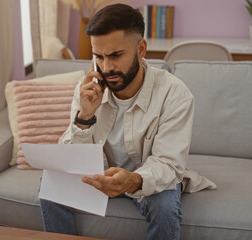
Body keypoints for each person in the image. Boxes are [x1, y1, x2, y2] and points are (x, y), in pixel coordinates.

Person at [40, 3, 195, 240]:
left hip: (146, 177)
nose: (106, 67)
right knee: (50, 182)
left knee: (165, 206)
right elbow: (70, 160)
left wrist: (133, 180)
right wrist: (84, 117)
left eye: (115, 55)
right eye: (98, 57)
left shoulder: (174, 94)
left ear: (141, 49)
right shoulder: (88, 90)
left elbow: (169, 164)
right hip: (99, 175)